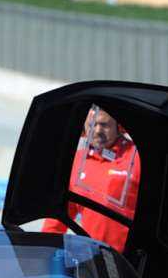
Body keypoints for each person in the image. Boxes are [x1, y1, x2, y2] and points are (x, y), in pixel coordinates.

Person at [41, 105, 141, 252]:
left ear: (118, 127)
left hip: (130, 260)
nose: (97, 130)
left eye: (104, 125)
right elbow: (57, 217)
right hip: (92, 260)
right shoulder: (77, 160)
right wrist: (44, 250)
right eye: (92, 125)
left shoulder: (137, 157)